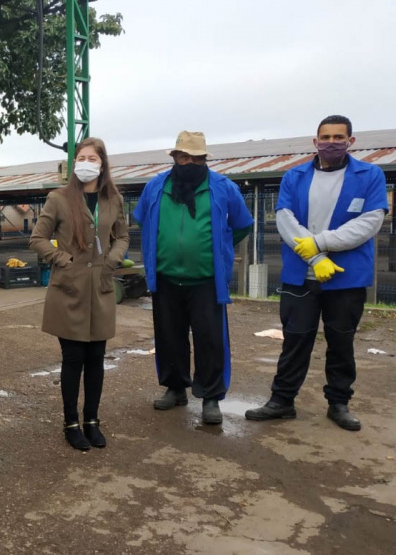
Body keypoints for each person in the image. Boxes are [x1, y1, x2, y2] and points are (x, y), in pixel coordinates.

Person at [245, 115, 388, 431]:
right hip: (300, 276)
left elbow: (369, 222)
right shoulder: (294, 176)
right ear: (315, 141)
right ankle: (282, 401)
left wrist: (320, 245)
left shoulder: (370, 175)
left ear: (351, 141)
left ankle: (339, 403)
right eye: (326, 136)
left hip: (346, 277)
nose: (332, 142)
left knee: (341, 342)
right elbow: (284, 220)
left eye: (339, 137)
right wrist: (313, 258)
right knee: (295, 341)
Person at [132, 131, 253, 425]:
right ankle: (176, 388)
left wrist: (220, 247)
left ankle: (211, 397)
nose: (191, 162)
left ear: (205, 159)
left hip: (206, 280)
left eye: (197, 158)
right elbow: (141, 220)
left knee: (210, 340)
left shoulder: (223, 187)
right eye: (185, 157)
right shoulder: (155, 187)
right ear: (174, 158)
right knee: (169, 337)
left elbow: (242, 225)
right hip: (166, 278)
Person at [30, 138, 130, 451]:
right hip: (68, 290)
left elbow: (123, 236)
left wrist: (112, 260)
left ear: (102, 164)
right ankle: (71, 423)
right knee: (73, 358)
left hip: (100, 288)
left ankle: (92, 421)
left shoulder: (113, 199)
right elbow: (38, 238)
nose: (86, 162)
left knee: (96, 358)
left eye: (92, 158)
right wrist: (64, 260)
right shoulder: (58, 198)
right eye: (81, 157)